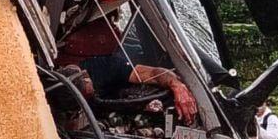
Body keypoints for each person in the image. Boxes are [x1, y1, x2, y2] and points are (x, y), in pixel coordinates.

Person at [64, 54, 199, 124]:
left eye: (85, 80)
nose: (86, 85)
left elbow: (154, 74)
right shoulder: (60, 92)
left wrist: (177, 85)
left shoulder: (108, 66)